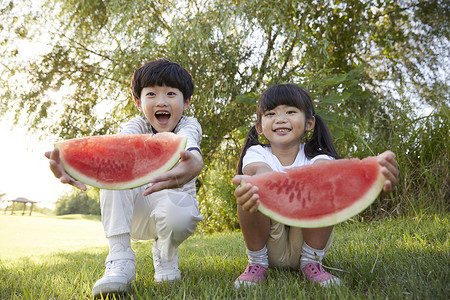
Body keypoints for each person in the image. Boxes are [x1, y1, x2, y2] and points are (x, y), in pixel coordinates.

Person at [45, 59, 204, 297]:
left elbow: (191, 145)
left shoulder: (188, 125)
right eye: (151, 94)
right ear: (139, 102)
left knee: (175, 212)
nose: (161, 101)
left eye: (171, 93)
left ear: (186, 101)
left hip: (176, 214)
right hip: (134, 215)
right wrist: (72, 165)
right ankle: (120, 259)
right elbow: (117, 148)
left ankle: (166, 254)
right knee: (114, 170)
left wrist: (194, 162)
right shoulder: (136, 125)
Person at [232, 84, 399, 288]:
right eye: (271, 113)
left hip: (308, 245)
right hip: (268, 247)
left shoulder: (317, 154)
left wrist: (372, 172)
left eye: (291, 111)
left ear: (310, 123)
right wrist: (265, 184)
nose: (281, 118)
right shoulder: (257, 152)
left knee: (325, 182)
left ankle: (312, 264)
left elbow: (327, 169)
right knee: (249, 188)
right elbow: (259, 172)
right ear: (259, 127)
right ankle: (256, 263)